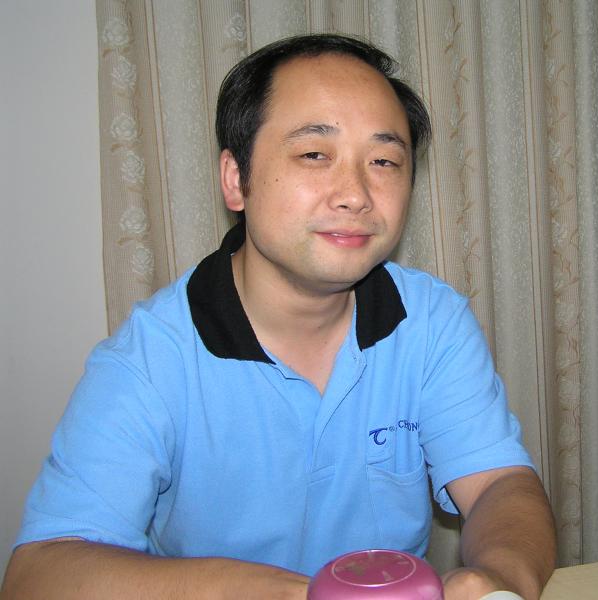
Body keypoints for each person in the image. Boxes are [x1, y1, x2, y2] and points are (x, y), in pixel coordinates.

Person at [1, 34, 556, 599]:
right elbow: (39, 574)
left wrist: (499, 577)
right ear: (236, 179)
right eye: (315, 154)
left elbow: (499, 484)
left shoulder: (431, 323)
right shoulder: (152, 358)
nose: (356, 194)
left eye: (384, 161)